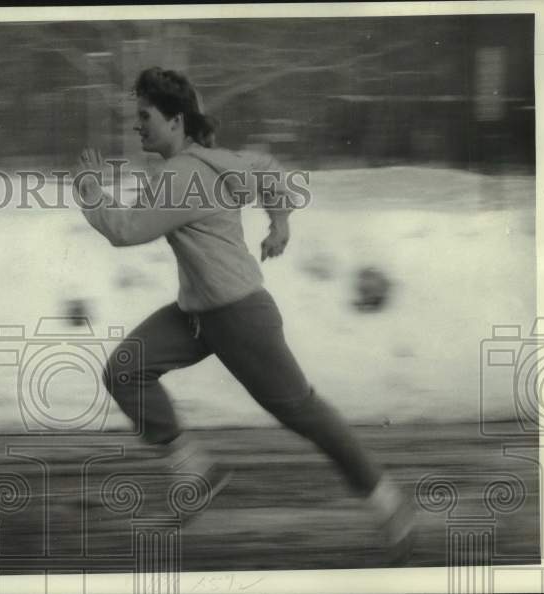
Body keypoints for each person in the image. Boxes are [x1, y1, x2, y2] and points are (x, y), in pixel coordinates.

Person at [73, 66, 415, 562]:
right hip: (197, 314)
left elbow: (127, 230)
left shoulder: (182, 176)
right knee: (127, 370)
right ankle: (197, 473)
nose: (137, 126)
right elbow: (271, 173)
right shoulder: (215, 160)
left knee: (304, 413)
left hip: (237, 317)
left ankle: (389, 503)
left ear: (174, 121)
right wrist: (279, 223)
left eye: (144, 116)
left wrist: (88, 189)